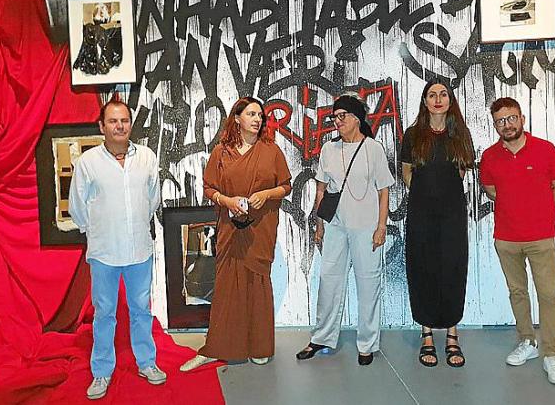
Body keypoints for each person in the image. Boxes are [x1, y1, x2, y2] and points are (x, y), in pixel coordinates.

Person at [180, 97, 291, 371]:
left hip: (260, 228)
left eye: (260, 115)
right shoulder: (222, 152)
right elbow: (209, 188)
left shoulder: (271, 151)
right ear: (237, 119)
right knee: (227, 287)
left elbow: (285, 186)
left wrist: (266, 194)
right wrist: (227, 201)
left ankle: (259, 346)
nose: (257, 119)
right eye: (251, 114)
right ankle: (218, 346)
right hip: (230, 228)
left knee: (257, 284)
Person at [68, 99, 166, 400]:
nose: (119, 126)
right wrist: (99, 231)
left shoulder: (147, 158)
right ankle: (101, 371)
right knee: (104, 314)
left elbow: (152, 199)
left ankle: (146, 363)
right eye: (113, 121)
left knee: (141, 311)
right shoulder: (88, 163)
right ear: (102, 126)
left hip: (139, 251)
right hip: (104, 253)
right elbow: (77, 207)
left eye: (124, 120)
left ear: (130, 124)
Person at [296, 94, 394, 366]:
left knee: (368, 283)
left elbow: (384, 191)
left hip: (367, 226)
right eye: (334, 117)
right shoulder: (329, 149)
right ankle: (322, 337)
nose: (337, 121)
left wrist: (381, 226)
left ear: (357, 118)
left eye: (342, 116)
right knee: (328, 280)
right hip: (335, 225)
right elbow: (321, 189)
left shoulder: (373, 148)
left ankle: (367, 343)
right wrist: (319, 224)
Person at [479, 97, 555, 385]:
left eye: (511, 118)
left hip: (541, 237)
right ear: (495, 125)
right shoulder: (490, 157)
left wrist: (540, 212)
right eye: (500, 121)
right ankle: (527, 341)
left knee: (548, 296)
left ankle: (552, 354)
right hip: (506, 238)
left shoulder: (545, 149)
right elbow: (491, 190)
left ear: (522, 119)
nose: (507, 125)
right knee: (517, 292)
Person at [400, 78, 474, 368]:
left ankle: (452, 335)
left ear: (450, 100)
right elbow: (407, 173)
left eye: (443, 94)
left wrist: (443, 198)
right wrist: (425, 197)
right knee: (423, 268)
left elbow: (462, 172)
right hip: (421, 213)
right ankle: (427, 334)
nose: (438, 99)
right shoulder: (413, 135)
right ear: (425, 101)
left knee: (453, 268)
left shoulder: (461, 134)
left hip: (452, 213)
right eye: (432, 95)